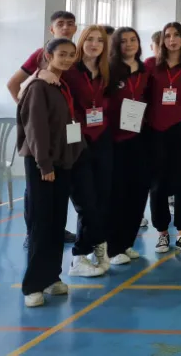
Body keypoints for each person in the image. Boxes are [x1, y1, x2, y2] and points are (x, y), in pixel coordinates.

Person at [18, 38, 84, 308]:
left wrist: (74, 153)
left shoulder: (61, 84)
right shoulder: (38, 86)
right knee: (42, 223)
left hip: (63, 161)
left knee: (57, 222)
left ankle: (51, 277)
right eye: (62, 54)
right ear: (48, 56)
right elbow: (35, 128)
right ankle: (33, 285)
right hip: (42, 164)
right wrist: (44, 164)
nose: (67, 59)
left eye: (71, 55)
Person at [8, 10, 78, 247]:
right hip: (43, 141)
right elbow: (13, 84)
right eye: (61, 24)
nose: (65, 28)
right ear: (52, 29)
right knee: (37, 195)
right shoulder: (40, 57)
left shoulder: (74, 57)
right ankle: (33, 233)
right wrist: (29, 112)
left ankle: (56, 231)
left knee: (57, 198)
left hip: (65, 138)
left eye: (70, 24)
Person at [60, 25, 114, 277]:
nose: (94, 44)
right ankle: (79, 257)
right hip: (77, 141)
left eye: (99, 41)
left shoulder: (105, 72)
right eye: (89, 39)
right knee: (85, 202)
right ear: (81, 42)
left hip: (102, 139)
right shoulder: (70, 71)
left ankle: (99, 246)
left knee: (103, 199)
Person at [145, 22, 181, 254]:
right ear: (162, 41)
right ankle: (162, 234)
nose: (171, 39)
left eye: (176, 35)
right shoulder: (150, 65)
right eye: (167, 35)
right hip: (155, 132)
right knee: (157, 185)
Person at [106, 27, 150, 265]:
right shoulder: (110, 70)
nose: (129, 44)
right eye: (123, 41)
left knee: (138, 191)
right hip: (115, 140)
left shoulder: (144, 70)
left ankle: (127, 242)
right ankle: (113, 247)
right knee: (118, 193)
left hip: (139, 138)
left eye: (133, 40)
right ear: (116, 45)